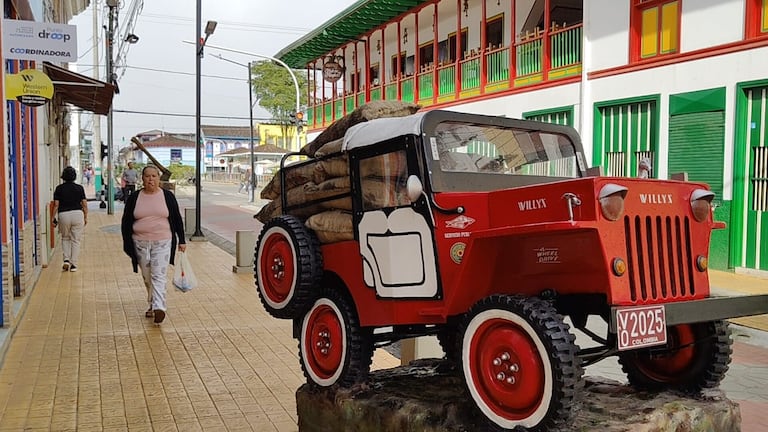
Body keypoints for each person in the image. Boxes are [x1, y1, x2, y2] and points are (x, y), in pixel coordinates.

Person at [121, 165, 187, 324]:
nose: (151, 179)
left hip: (163, 241)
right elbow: (126, 221)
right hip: (140, 242)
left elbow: (176, 218)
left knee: (158, 274)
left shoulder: (167, 196)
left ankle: (159, 307)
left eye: (154, 176)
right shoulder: (135, 197)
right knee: (147, 276)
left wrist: (182, 240)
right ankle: (152, 303)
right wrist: (127, 243)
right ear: (142, 179)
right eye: (147, 176)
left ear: (159, 178)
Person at [52, 166, 88, 272]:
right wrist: (85, 216)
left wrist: (52, 217)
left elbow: (56, 205)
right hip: (78, 214)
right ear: (74, 176)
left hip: (63, 215)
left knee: (65, 238)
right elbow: (84, 204)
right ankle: (74, 265)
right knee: (76, 240)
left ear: (63, 176)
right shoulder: (79, 188)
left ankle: (66, 260)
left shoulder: (59, 188)